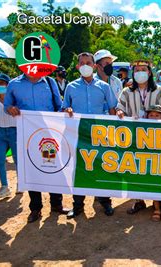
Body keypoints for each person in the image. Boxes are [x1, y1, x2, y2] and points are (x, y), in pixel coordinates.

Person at [4, 69, 68, 223]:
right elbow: (7, 106)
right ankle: (35, 208)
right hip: (28, 136)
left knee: (54, 168)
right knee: (32, 169)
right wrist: (10, 109)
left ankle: (56, 204)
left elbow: (59, 106)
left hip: (50, 134)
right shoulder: (14, 84)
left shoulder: (50, 82)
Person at [63, 52, 117, 219]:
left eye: (88, 62)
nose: (85, 65)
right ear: (78, 66)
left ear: (94, 66)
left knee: (101, 167)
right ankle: (78, 206)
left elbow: (113, 109)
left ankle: (105, 201)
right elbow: (65, 107)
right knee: (79, 169)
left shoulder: (104, 86)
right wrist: (68, 110)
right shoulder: (70, 87)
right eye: (82, 62)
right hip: (78, 135)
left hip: (100, 134)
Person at [116, 60, 161, 220]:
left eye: (143, 69)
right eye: (137, 70)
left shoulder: (159, 91)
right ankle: (139, 200)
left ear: (149, 73)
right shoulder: (126, 91)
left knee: (156, 168)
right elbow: (120, 107)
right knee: (135, 169)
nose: (140, 72)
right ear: (133, 73)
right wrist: (119, 112)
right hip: (134, 138)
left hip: (156, 139)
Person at [0, 73, 16, 198]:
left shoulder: (15, 100)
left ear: (7, 85)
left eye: (1, 83)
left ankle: (22, 183)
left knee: (18, 159)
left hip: (14, 131)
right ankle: (4, 186)